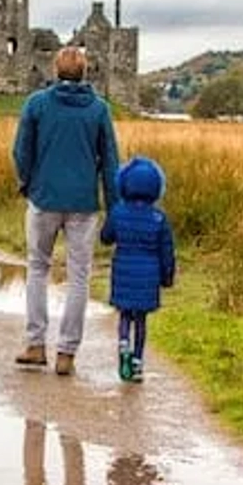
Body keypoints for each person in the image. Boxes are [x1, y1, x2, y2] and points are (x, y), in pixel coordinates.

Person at [12, 45, 120, 376]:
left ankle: (35, 344)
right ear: (85, 72)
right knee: (79, 275)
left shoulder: (37, 104)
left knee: (37, 268)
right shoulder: (99, 110)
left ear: (56, 71)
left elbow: (20, 151)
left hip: (44, 198)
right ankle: (67, 353)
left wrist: (27, 183)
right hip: (83, 203)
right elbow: (111, 162)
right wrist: (113, 209)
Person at [99, 155, 176, 382]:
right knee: (141, 320)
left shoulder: (118, 211)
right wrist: (167, 277)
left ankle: (123, 345)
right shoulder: (159, 218)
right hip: (148, 275)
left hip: (123, 269)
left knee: (124, 315)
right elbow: (166, 252)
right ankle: (137, 362)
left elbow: (106, 237)